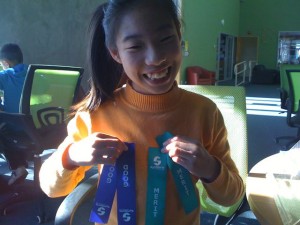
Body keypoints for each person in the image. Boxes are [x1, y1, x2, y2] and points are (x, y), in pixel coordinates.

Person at [39, 1, 245, 225]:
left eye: (166, 39)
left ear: (179, 36)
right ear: (116, 53)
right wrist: (72, 155)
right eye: (136, 46)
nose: (155, 58)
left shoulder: (205, 112)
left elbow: (232, 196)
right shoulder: (96, 115)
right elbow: (51, 187)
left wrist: (209, 167)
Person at [0, 43, 29, 186]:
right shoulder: (33, 73)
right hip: (36, 126)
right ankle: (21, 166)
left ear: (5, 62)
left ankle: (18, 167)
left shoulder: (5, 75)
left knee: (3, 129)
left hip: (16, 126)